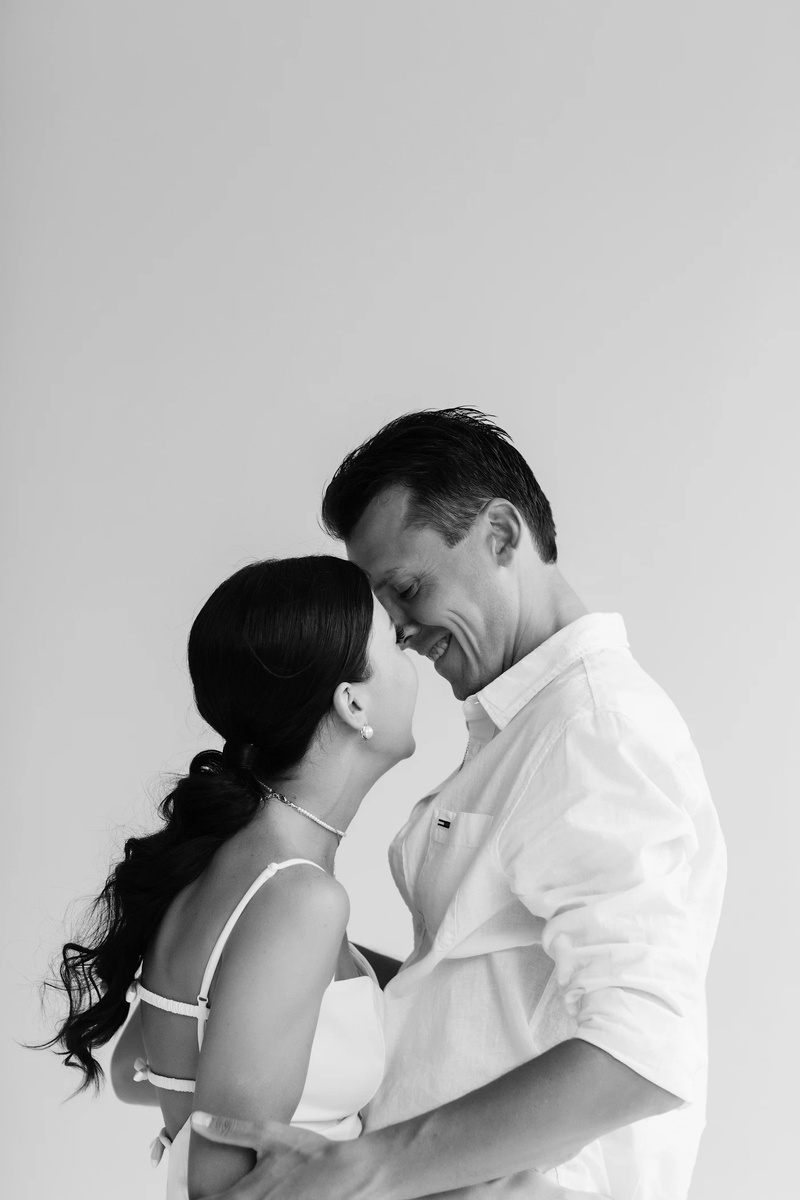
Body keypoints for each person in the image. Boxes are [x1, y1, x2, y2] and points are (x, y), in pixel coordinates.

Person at [192, 408, 727, 1200]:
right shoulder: (525, 727)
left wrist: (368, 1166)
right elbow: (475, 986)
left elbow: (644, 1051)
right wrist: (285, 945)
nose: (401, 635)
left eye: (408, 590)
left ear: (501, 535)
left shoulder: (594, 730)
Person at [42, 555, 418, 1199]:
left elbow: (138, 1068)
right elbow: (223, 1190)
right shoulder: (299, 899)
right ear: (353, 702)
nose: (413, 655)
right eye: (395, 642)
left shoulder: (232, 865)